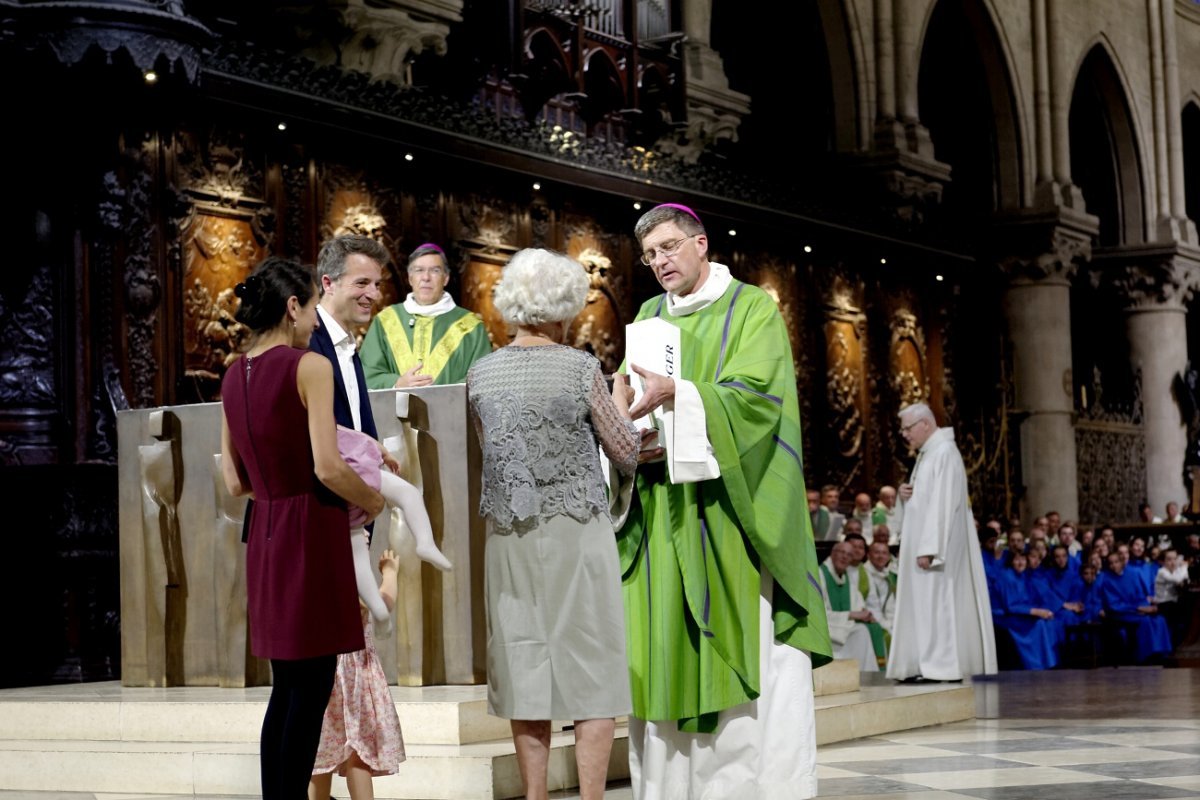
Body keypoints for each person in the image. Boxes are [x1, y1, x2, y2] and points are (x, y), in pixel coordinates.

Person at [617, 203, 831, 799]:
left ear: (701, 243)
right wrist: (630, 428)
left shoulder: (752, 307)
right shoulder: (647, 315)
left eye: (668, 247)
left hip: (730, 511)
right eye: (650, 254)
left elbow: (758, 400)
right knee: (665, 642)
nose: (659, 261)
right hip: (663, 511)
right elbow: (631, 397)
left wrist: (680, 397)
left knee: (738, 647)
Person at [467, 248, 638, 800]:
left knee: (522, 663)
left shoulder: (481, 374)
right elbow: (626, 450)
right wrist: (622, 400)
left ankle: (535, 796)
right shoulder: (580, 367)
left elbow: (488, 453)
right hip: (576, 533)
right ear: (561, 306)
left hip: (509, 537)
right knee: (592, 663)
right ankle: (590, 797)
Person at [220, 257, 385, 800]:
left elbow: (231, 481)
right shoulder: (308, 366)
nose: (316, 319)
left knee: (285, 688)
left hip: (265, 530)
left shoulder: (232, 373)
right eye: (313, 306)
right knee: (311, 689)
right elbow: (328, 467)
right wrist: (374, 500)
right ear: (293, 306)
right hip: (311, 531)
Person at [885, 402, 996, 683]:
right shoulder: (928, 454)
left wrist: (930, 548)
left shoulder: (944, 453)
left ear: (925, 424)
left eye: (908, 428)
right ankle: (920, 664)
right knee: (921, 605)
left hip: (933, 551)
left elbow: (943, 504)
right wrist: (905, 495)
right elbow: (925, 501)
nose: (904, 434)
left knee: (936, 604)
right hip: (922, 546)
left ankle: (940, 666)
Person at [310, 548, 406, 800]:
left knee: (319, 755)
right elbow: (380, 604)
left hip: (319, 668)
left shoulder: (312, 568)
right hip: (352, 674)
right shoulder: (348, 570)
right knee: (358, 752)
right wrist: (390, 572)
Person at [360, 242, 491, 388]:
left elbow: (482, 380)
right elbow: (366, 373)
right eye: (419, 270)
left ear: (445, 278)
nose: (426, 277)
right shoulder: (385, 321)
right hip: (395, 410)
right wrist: (397, 383)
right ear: (410, 279)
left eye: (435, 270)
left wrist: (442, 398)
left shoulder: (471, 326)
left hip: (451, 409)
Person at [818, 542, 883, 671]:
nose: (844, 557)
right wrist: (851, 614)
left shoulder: (847, 578)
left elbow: (858, 604)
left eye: (849, 555)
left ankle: (864, 674)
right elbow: (819, 613)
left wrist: (866, 614)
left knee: (863, 630)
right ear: (832, 553)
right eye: (841, 552)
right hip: (825, 626)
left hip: (840, 625)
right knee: (860, 631)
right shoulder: (820, 574)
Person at [994, 552, 1063, 670]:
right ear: (1011, 561)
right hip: (1006, 617)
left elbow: (1031, 600)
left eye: (1023, 559)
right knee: (1038, 625)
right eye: (1017, 559)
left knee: (1050, 623)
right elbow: (1010, 606)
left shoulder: (1024, 577)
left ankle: (1047, 663)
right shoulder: (1006, 577)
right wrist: (1036, 612)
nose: (1021, 563)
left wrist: (1043, 611)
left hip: (1021, 613)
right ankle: (1036, 665)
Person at [1100, 552, 1172, 663]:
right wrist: (1138, 609)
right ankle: (1147, 656)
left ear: (1122, 562)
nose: (1114, 565)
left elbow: (1140, 595)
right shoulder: (1106, 580)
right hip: (1121, 613)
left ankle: (1163, 653)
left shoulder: (1132, 574)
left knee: (1159, 619)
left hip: (1137, 609)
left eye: (1116, 562)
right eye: (1111, 563)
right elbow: (1113, 605)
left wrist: (1148, 607)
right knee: (1146, 621)